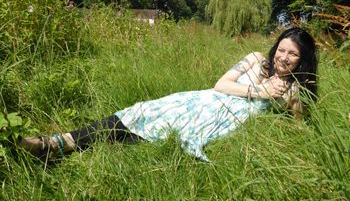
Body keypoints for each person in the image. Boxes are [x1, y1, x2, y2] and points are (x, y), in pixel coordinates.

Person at [20, 28, 318, 162]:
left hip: (220, 122)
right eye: (281, 48)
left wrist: (287, 100)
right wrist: (260, 91)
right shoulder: (256, 59)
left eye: (293, 54)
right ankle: (61, 142)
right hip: (203, 100)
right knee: (143, 111)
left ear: (302, 60)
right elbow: (221, 85)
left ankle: (66, 148)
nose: (283, 57)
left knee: (159, 134)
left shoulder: (293, 91)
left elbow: (298, 127)